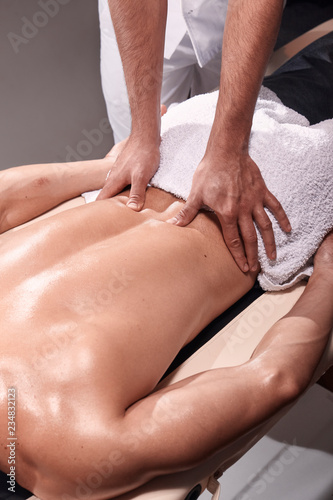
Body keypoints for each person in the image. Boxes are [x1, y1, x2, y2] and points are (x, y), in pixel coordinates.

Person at [0, 32, 332, 500]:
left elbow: (274, 379)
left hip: (282, 197)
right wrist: (110, 166)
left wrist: (329, 277)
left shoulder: (73, 458)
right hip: (186, 146)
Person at [98, 0, 291, 275]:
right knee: (136, 172)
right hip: (140, 18)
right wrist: (142, 134)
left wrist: (228, 151)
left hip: (233, 15)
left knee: (227, 173)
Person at [98, 0, 228, 143]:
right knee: (136, 146)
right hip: (140, 23)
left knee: (226, 137)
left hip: (229, 17)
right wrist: (144, 136)